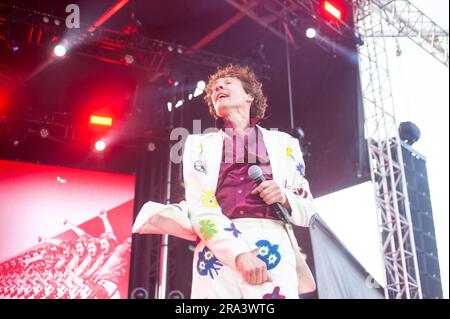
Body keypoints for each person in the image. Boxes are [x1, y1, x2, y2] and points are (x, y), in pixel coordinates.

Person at [183, 64, 316, 299]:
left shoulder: (285, 143)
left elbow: (307, 210)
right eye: (214, 87)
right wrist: (238, 253)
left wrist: (284, 196)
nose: (218, 87)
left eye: (227, 83)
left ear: (249, 96)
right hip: (217, 250)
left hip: (273, 244)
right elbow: (199, 207)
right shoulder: (198, 145)